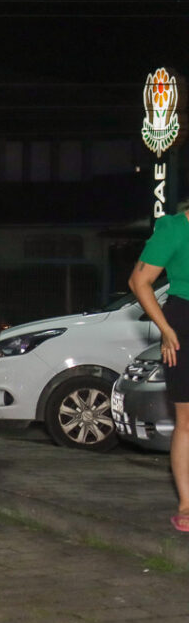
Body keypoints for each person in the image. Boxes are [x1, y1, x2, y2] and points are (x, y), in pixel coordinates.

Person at [128, 210, 189, 532]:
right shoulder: (174, 228)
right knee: (187, 421)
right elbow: (139, 281)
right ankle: (187, 504)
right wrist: (165, 329)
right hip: (184, 326)